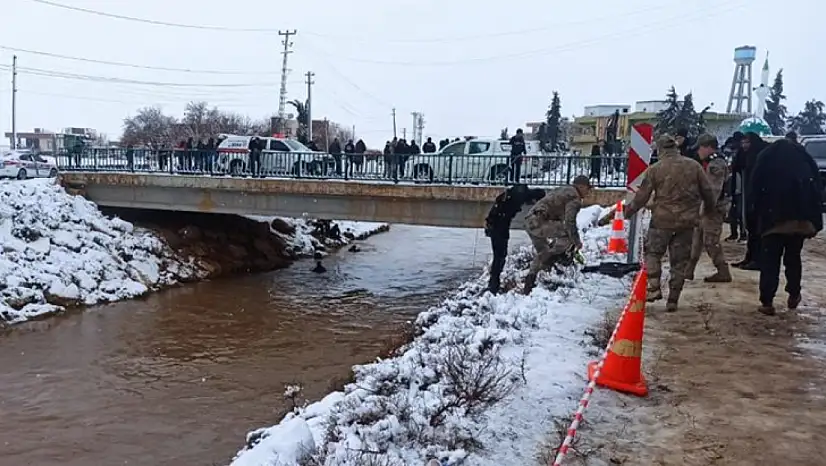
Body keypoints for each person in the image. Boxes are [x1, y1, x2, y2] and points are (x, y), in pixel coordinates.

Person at [623, 134, 716, 312]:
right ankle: (673, 299)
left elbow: (642, 196)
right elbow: (708, 191)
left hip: (662, 220)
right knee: (680, 261)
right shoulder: (694, 166)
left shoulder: (655, 169)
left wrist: (629, 211)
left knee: (653, 253)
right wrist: (709, 210)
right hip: (687, 222)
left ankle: (655, 286)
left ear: (660, 150)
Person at [748, 139, 823, 315]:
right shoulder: (804, 160)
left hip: (772, 221)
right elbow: (816, 190)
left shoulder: (766, 160)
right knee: (793, 258)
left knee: (770, 262)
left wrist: (754, 218)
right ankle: (794, 293)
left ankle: (767, 301)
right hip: (798, 223)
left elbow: (755, 189)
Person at [522, 175, 591, 294]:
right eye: (588, 188)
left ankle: (529, 283)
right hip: (539, 222)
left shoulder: (563, 190)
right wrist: (577, 242)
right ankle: (556, 256)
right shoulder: (574, 198)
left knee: (543, 253)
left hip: (530, 221)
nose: (589, 191)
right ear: (581, 186)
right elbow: (570, 222)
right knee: (567, 233)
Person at [685, 134, 732, 282]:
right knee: (696, 239)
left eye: (700, 148)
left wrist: (703, 209)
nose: (698, 152)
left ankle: (723, 270)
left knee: (710, 241)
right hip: (705, 207)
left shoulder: (716, 165)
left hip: (713, 208)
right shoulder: (710, 162)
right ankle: (688, 270)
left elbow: (713, 191)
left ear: (708, 147)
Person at [484, 184, 546, 294]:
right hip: (498, 227)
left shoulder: (516, 192)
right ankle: (493, 286)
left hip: (495, 224)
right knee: (500, 256)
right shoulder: (518, 196)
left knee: (499, 256)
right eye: (533, 202)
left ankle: (493, 284)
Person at [732, 132, 769, 270]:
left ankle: (758, 259)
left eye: (746, 142)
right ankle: (750, 257)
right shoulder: (746, 155)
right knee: (751, 229)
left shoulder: (760, 154)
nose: (744, 145)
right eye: (742, 143)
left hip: (760, 198)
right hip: (748, 194)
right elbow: (737, 165)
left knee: (757, 230)